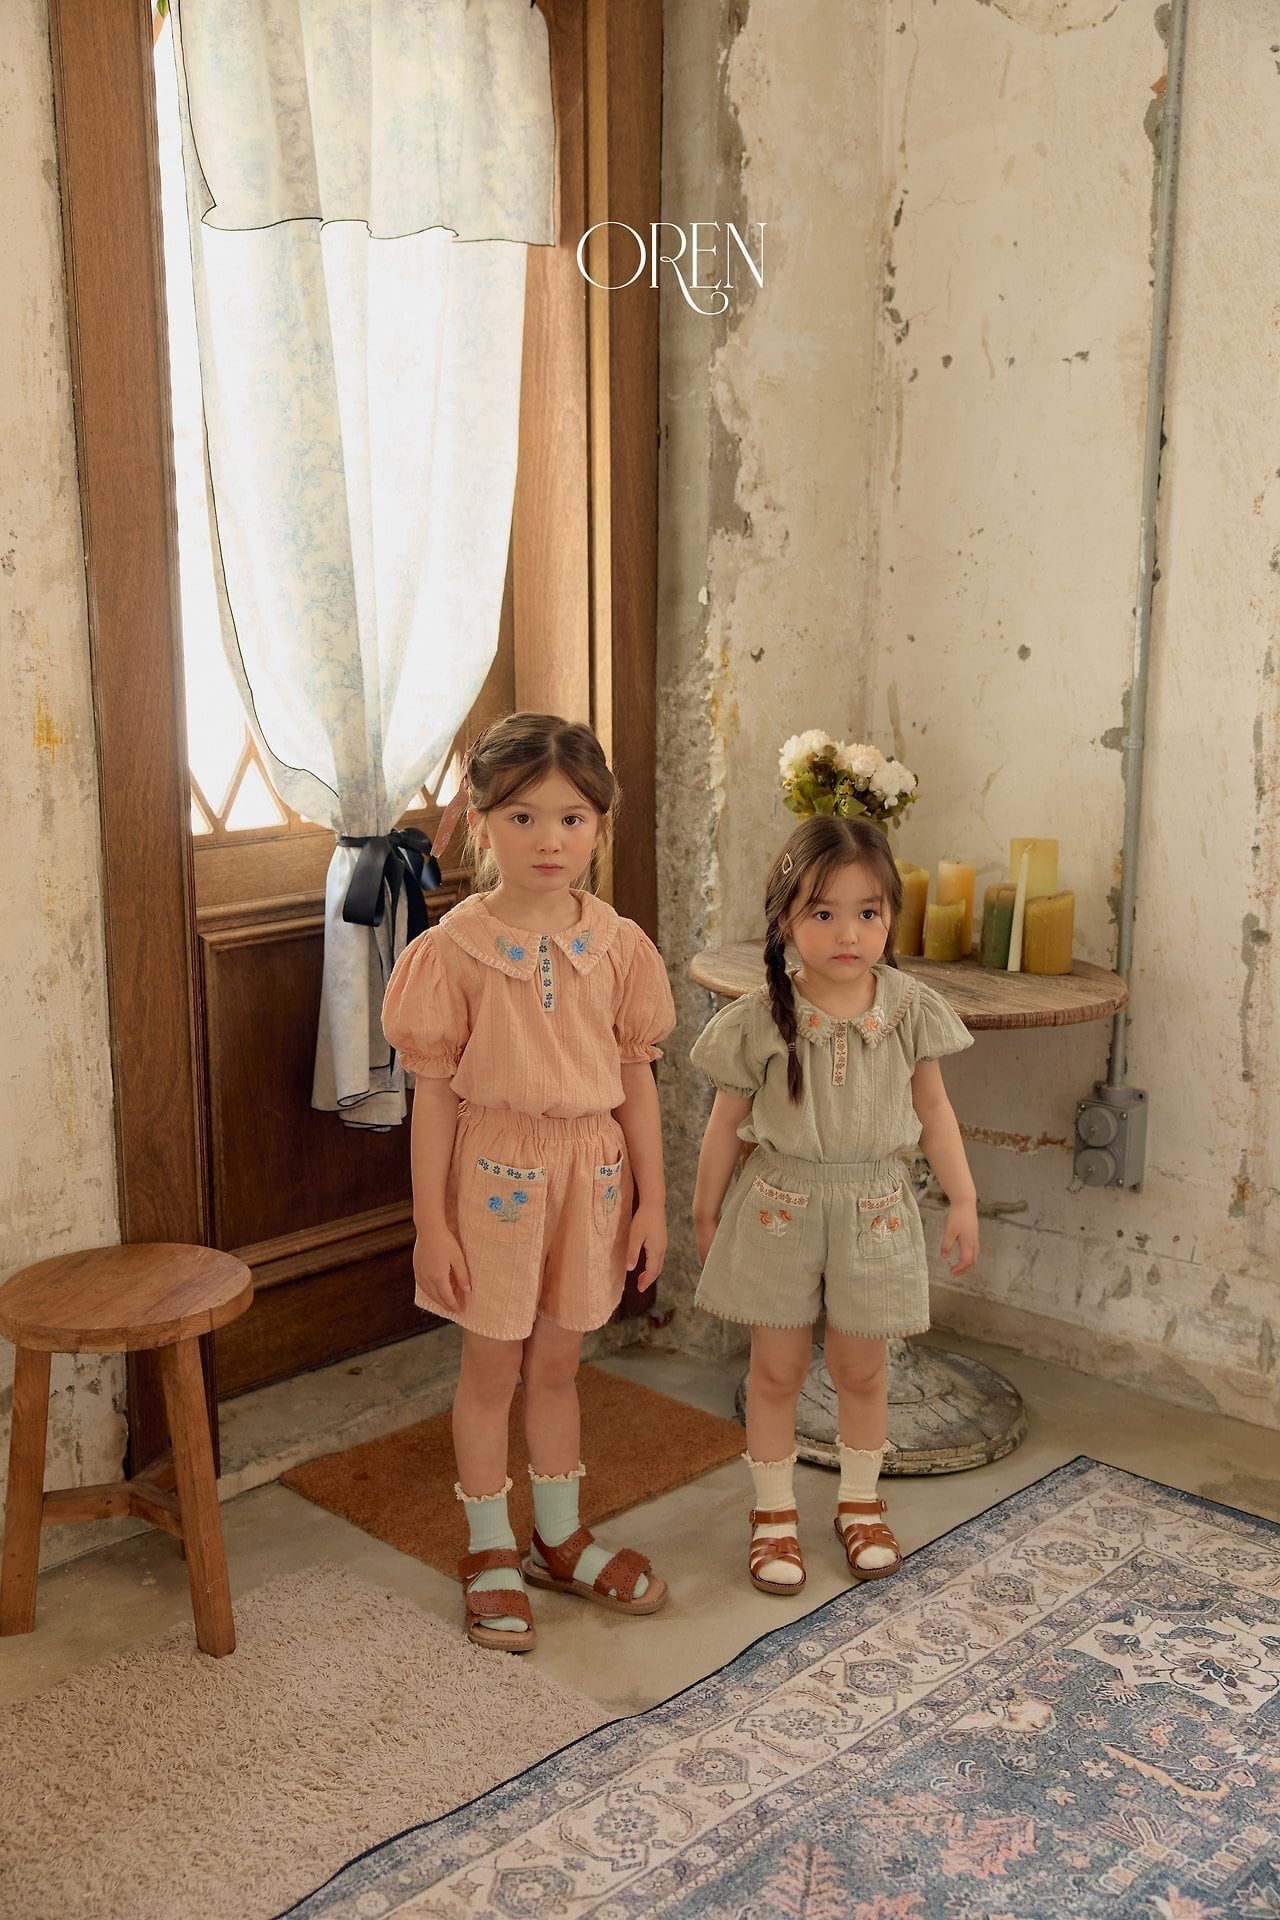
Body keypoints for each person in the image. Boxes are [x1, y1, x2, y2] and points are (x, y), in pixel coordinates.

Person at [382, 713, 675, 1652]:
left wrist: (653, 1202)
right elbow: (433, 1098)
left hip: (593, 1179)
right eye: (522, 817)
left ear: (599, 827)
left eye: (571, 819)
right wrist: (432, 1225)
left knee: (557, 1366)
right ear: (480, 824)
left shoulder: (620, 947)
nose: (549, 839)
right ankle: (489, 1547)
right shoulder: (452, 951)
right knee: (490, 1368)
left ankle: (558, 1537)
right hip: (494, 1181)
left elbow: (637, 1078)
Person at [690, 815, 978, 1595]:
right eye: (823, 912)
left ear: (890, 917)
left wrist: (962, 1198)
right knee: (777, 1369)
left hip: (875, 1209)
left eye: (867, 912)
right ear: (786, 917)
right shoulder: (759, 1017)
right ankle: (773, 1512)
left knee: (861, 1367)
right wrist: (705, 1210)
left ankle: (859, 1502)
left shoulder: (910, 1009)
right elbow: (724, 1123)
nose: (847, 932)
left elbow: (934, 1110)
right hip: (779, 1208)